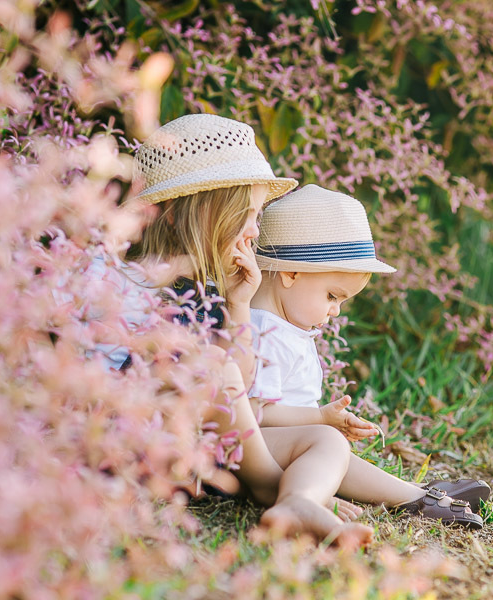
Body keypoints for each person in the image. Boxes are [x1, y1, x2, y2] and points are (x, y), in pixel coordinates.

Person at [92, 114, 373, 546]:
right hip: (128, 444)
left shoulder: (207, 295)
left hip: (204, 452)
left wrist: (239, 306)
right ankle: (274, 488)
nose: (256, 232)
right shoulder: (121, 281)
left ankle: (297, 496)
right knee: (210, 368)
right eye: (251, 214)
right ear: (203, 211)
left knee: (326, 440)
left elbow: (241, 390)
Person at [249, 185, 491, 528]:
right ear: (290, 273)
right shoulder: (262, 332)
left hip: (280, 445)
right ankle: (299, 501)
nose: (335, 311)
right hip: (250, 452)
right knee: (328, 443)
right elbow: (251, 414)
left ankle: (414, 494)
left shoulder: (283, 326)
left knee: (333, 451)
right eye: (333, 296)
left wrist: (320, 423)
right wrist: (319, 418)